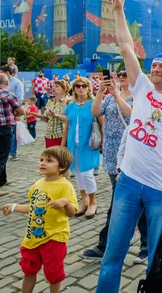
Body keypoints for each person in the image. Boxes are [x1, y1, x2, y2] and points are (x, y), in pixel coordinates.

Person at [96, 0, 162, 293]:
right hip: (127, 182)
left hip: (160, 190)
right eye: (153, 64)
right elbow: (126, 45)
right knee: (113, 253)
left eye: (161, 66)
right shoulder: (142, 88)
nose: (154, 68)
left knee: (157, 257)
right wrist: (118, 11)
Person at [82, 70, 149, 264]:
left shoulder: (141, 96)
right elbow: (95, 112)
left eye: (125, 73)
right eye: (119, 74)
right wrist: (101, 92)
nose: (121, 76)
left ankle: (112, 244)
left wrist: (118, 95)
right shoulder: (110, 96)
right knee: (123, 198)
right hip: (112, 153)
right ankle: (135, 241)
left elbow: (130, 114)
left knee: (126, 200)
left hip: (131, 153)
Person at [1, 146, 78, 293]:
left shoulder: (65, 186)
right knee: (28, 271)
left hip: (54, 238)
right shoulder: (37, 184)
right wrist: (14, 207)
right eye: (41, 159)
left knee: (53, 274)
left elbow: (72, 212)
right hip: (32, 238)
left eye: (49, 161)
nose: (42, 163)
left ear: (61, 167)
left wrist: (66, 202)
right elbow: (33, 207)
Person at [61, 77, 102, 219]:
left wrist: (103, 142)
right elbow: (67, 127)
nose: (80, 88)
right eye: (77, 86)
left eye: (84, 85)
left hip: (89, 144)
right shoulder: (70, 105)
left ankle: (93, 202)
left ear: (88, 87)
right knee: (78, 173)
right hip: (73, 145)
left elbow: (102, 124)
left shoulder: (94, 104)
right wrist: (63, 145)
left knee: (87, 174)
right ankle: (84, 200)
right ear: (74, 88)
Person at [30, 80, 70, 148]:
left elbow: (70, 120)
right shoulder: (50, 101)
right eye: (53, 86)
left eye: (57, 86)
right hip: (49, 135)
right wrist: (40, 116)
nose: (53, 88)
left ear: (64, 89)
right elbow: (48, 120)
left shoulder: (69, 102)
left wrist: (57, 115)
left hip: (61, 135)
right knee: (50, 157)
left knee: (60, 157)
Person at [0, 65, 25, 160]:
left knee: (11, 133)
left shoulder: (17, 83)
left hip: (11, 112)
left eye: (1, 72)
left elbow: (20, 98)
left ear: (7, 73)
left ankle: (12, 153)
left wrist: (18, 113)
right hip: (0, 112)